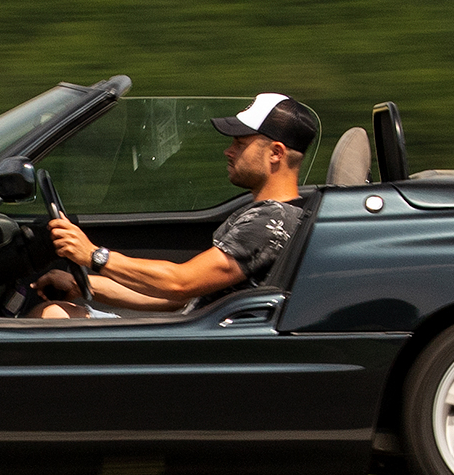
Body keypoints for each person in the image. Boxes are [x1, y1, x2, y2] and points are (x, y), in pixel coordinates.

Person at [42, 93, 317, 318]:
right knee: (56, 311)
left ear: (276, 153)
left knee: (52, 315)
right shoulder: (267, 214)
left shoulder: (269, 221)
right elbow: (178, 297)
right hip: (188, 328)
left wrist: (94, 256)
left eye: (240, 142)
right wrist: (83, 284)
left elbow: (181, 282)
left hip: (198, 344)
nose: (228, 150)